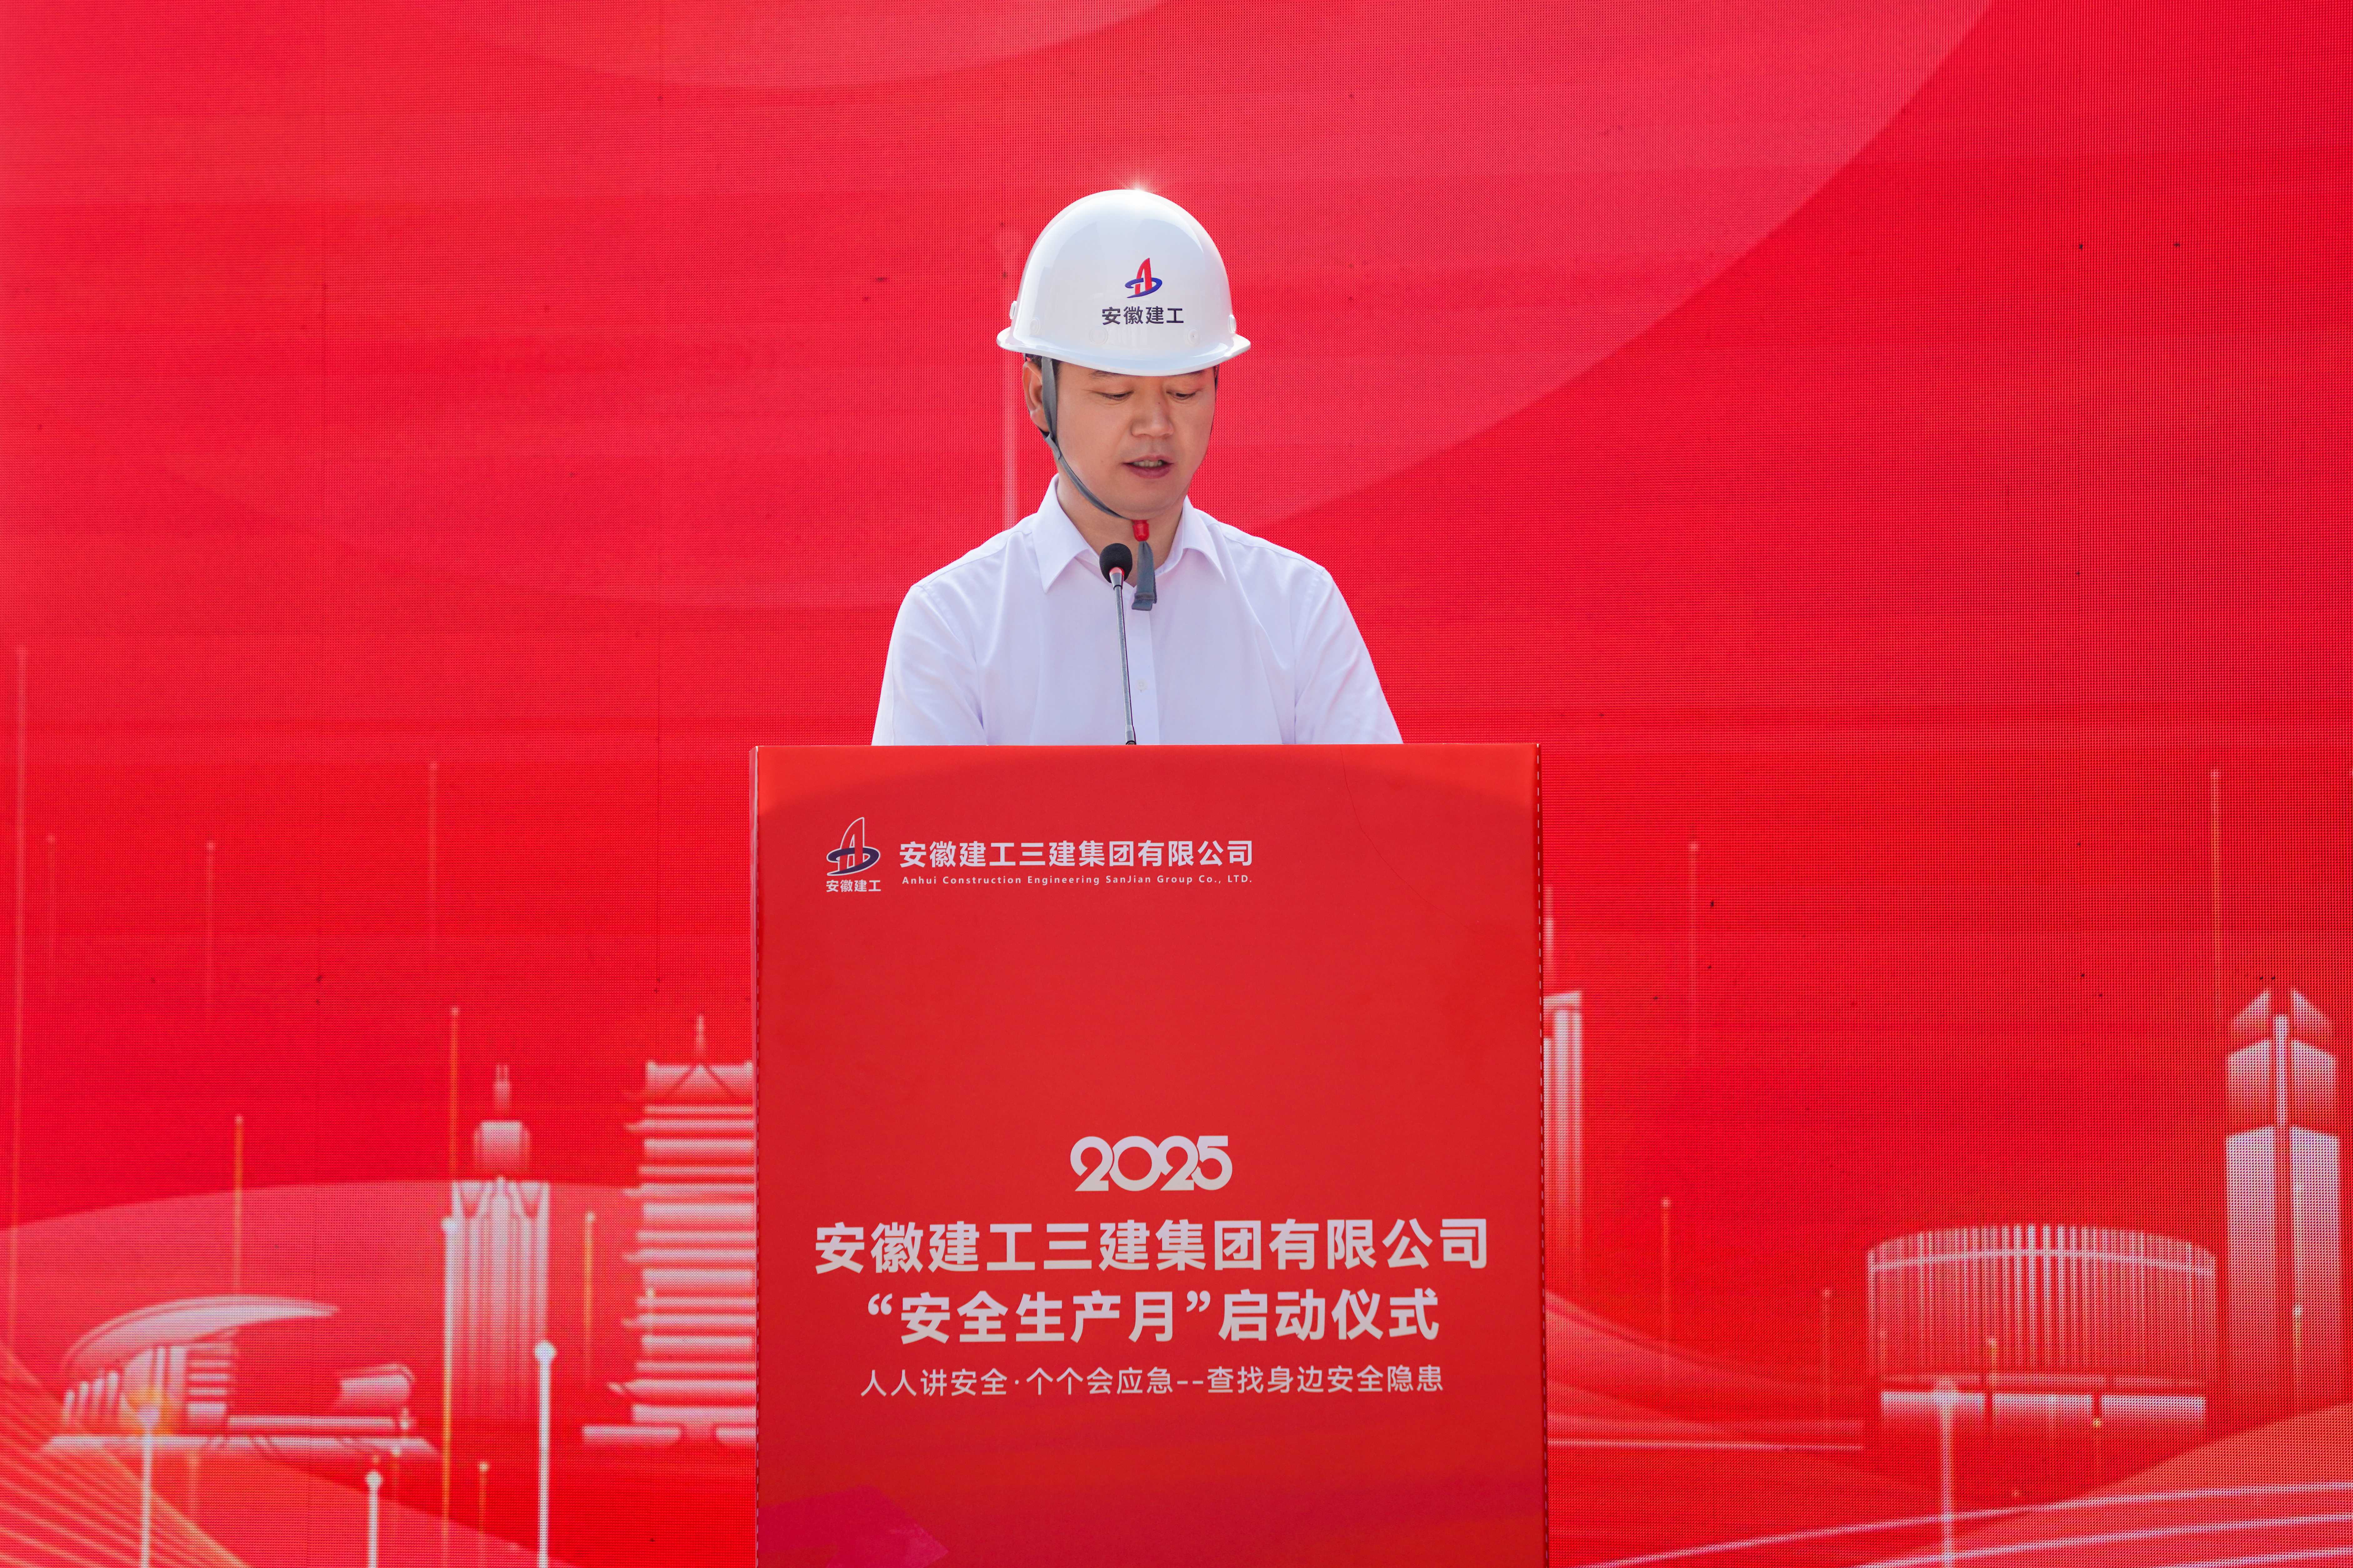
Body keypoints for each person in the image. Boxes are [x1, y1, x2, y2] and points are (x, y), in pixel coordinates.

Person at [872, 189, 1400, 745]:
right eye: (1116, 394)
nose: (1155, 425)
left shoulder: (1297, 607)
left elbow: (1371, 803)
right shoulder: (954, 623)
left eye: (1183, 391)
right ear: (1039, 395)